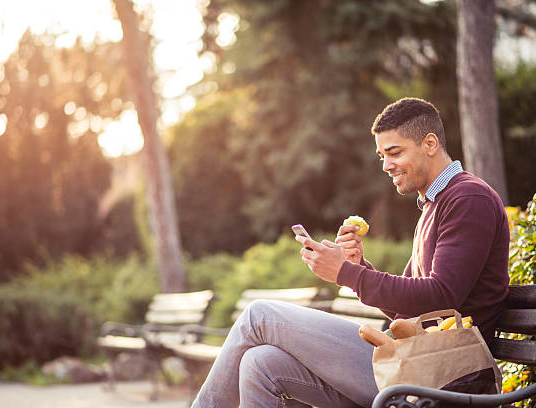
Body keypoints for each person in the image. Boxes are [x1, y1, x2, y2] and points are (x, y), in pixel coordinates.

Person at [190, 97, 510, 408]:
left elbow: (442, 296)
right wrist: (359, 268)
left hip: (442, 377)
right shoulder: (434, 205)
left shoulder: (468, 199)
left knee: (258, 315)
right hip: (412, 361)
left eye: (394, 152)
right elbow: (412, 313)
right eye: (382, 155)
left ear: (429, 144)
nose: (386, 165)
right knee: (260, 363)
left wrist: (347, 273)